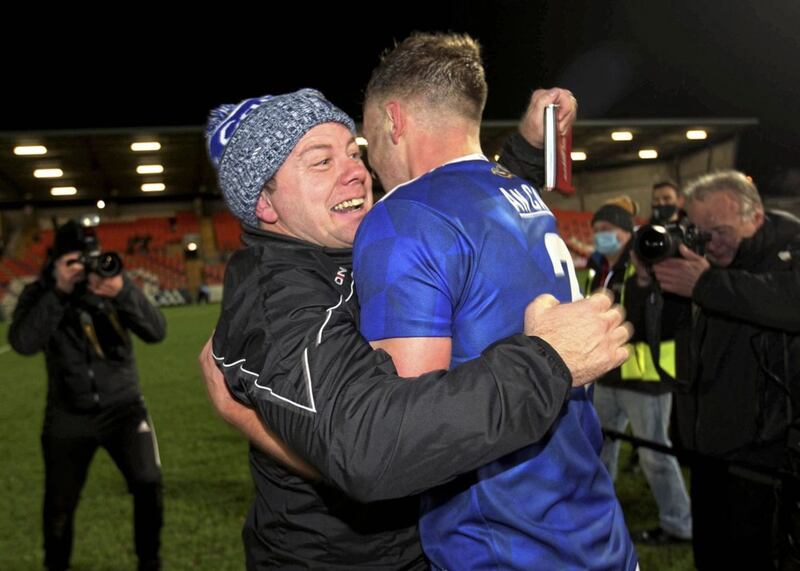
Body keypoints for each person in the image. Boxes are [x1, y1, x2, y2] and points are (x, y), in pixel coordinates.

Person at [201, 87, 631, 569]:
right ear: (265, 203)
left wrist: (524, 156)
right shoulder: (276, 301)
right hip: (337, 558)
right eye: (321, 163)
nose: (356, 173)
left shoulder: (347, 243)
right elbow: (369, 447)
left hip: (413, 548)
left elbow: (457, 218)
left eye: (353, 152)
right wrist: (547, 360)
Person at [354, 32, 637, 569]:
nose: (371, 165)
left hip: (503, 544)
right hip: (590, 525)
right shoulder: (519, 193)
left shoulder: (404, 215)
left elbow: (407, 437)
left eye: (368, 141)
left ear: (392, 120)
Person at [650, 170, 800, 570]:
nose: (708, 242)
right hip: (706, 446)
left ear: (755, 216)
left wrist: (706, 284)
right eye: (697, 231)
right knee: (712, 557)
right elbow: (666, 337)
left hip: (764, 457)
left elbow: (788, 302)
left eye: (719, 230)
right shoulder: (702, 266)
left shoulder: (790, 246)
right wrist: (658, 281)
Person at [8, 220, 166, 571]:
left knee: (148, 483)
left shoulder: (110, 284)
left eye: (89, 257)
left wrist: (122, 291)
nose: (84, 267)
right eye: (74, 261)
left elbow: (156, 331)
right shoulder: (40, 293)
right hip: (68, 413)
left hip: (124, 408)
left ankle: (150, 561)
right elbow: (23, 343)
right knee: (59, 505)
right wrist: (59, 291)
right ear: (57, 262)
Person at [585, 197, 693, 545]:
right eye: (597, 230)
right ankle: (600, 514)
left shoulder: (647, 261)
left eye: (608, 230)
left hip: (646, 379)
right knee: (599, 449)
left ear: (625, 231)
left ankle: (679, 524)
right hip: (608, 374)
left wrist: (646, 282)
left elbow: (662, 315)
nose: (602, 236)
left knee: (655, 455)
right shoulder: (600, 268)